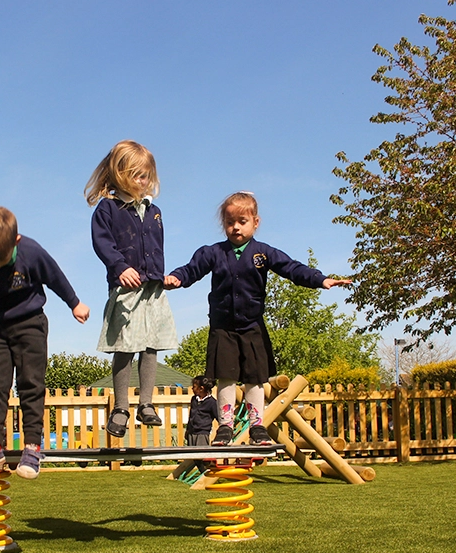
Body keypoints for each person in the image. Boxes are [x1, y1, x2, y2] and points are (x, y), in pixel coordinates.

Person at [165, 191, 352, 445]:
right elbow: (191, 269)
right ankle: (225, 428)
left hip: (252, 326)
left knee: (254, 379)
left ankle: (257, 426)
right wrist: (177, 278)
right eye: (230, 223)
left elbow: (292, 268)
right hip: (223, 328)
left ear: (256, 222)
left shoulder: (263, 253)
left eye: (242, 221)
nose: (236, 227)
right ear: (224, 225)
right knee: (227, 378)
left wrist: (320, 279)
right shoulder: (213, 253)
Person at [0, 206, 89, 479]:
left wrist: (74, 303)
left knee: (31, 384)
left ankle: (33, 448)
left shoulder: (31, 252)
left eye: (2, 261)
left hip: (30, 323)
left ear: (16, 240)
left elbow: (54, 275)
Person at [86, 140, 177, 437]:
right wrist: (120, 267)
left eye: (147, 175)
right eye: (138, 175)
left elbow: (155, 246)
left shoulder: (154, 211)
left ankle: (147, 404)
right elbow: (103, 243)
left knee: (150, 344)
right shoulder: (108, 209)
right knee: (126, 345)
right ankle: (122, 407)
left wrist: (161, 274)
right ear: (121, 174)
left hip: (152, 286)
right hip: (127, 286)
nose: (144, 181)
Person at [185, 376, 218, 447]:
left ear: (201, 388)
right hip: (191, 433)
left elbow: (218, 417)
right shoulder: (194, 399)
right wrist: (188, 430)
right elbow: (191, 415)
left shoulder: (212, 402)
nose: (192, 389)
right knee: (190, 455)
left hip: (202, 434)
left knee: (201, 455)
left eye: (194, 387)